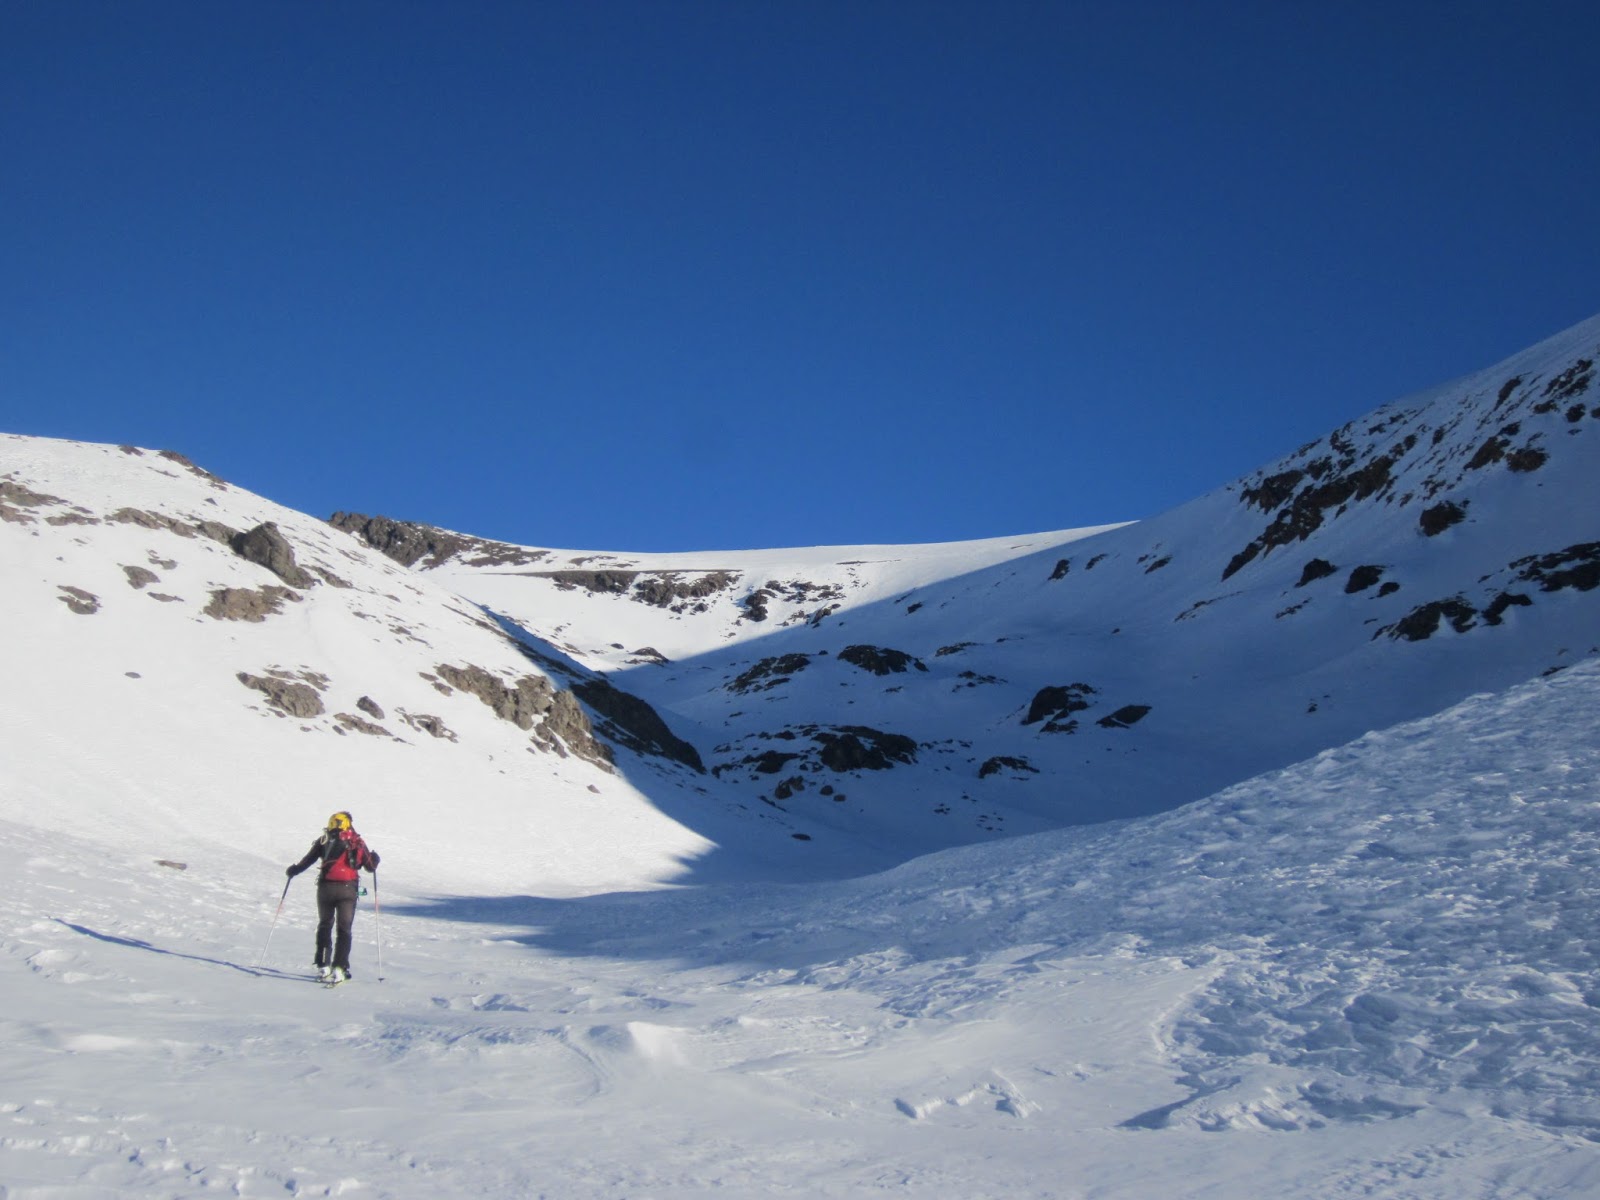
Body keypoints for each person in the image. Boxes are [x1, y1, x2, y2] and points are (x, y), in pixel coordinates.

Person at [286, 811, 380, 984]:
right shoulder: (356, 842)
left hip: (325, 888)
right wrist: (375, 859)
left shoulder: (324, 840)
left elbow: (308, 860)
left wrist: (293, 871)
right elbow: (370, 866)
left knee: (325, 924)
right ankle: (339, 968)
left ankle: (323, 966)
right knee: (344, 930)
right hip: (348, 890)